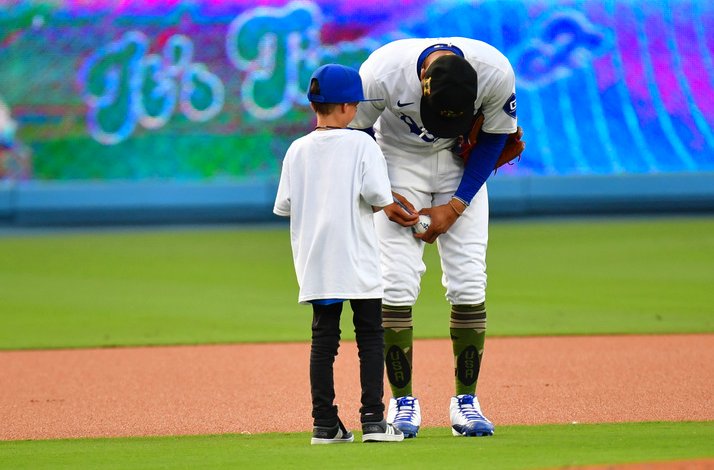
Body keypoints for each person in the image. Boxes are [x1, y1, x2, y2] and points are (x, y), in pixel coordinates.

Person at [349, 38, 524, 438]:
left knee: (468, 282)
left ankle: (466, 402)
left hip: (459, 164)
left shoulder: (495, 72)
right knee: (395, 283)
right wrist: (380, 195)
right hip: (395, 161)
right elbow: (355, 133)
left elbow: (497, 135)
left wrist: (457, 204)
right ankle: (403, 402)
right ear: (423, 81)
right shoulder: (382, 72)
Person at [273, 64, 405, 445]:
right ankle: (374, 421)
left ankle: (324, 424)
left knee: (324, 341)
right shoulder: (363, 144)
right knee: (370, 337)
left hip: (316, 259)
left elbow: (285, 204)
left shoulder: (297, 149)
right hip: (358, 255)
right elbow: (380, 198)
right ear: (348, 107)